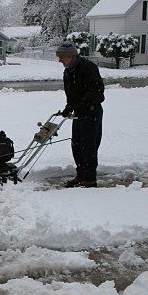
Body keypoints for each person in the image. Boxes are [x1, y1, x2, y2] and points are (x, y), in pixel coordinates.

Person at [56, 41, 105, 188]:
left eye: (62, 57)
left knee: (88, 146)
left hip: (91, 113)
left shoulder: (88, 68)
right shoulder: (68, 71)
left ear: (70, 56)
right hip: (79, 112)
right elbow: (72, 95)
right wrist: (68, 108)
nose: (60, 60)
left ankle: (89, 179)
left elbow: (97, 92)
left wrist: (85, 104)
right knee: (76, 145)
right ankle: (81, 174)